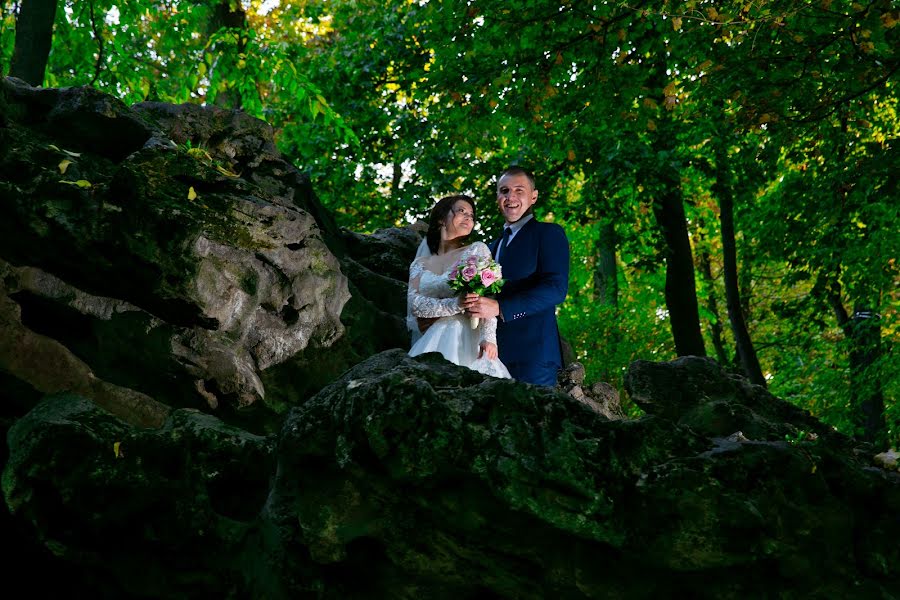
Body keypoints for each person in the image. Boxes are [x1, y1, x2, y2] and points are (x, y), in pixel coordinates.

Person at [463, 167, 570, 386]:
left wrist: (501, 308)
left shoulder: (548, 234)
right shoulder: (490, 248)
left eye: (519, 190)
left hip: (533, 356)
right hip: (489, 356)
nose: (510, 197)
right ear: (497, 198)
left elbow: (556, 289)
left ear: (534, 196)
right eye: (504, 191)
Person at [406, 195, 511, 379]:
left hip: (468, 337)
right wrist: (456, 304)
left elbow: (487, 298)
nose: (469, 217)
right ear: (441, 218)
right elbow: (415, 303)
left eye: (471, 215)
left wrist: (489, 339)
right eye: (462, 211)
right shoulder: (419, 264)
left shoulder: (476, 250)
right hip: (431, 338)